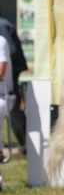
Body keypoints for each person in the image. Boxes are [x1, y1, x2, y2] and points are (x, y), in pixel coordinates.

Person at [0, 18, 27, 154]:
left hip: (8, 77)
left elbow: (10, 51)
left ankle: (25, 144)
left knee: (14, 112)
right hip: (10, 74)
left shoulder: (2, 26)